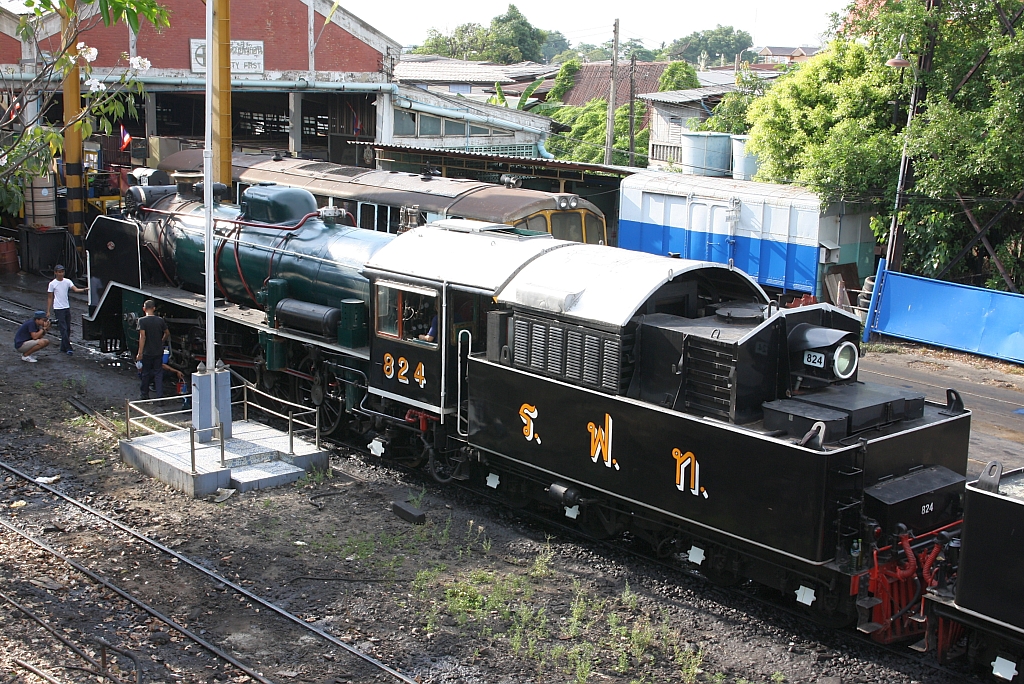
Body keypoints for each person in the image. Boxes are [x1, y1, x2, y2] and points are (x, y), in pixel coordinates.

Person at [46, 264, 87, 356]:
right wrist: (48, 310)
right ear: (55, 273)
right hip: (58, 308)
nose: (61, 274)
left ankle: (63, 348)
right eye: (59, 272)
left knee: (67, 329)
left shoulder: (67, 281)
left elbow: (75, 289)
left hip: (66, 307)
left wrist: (85, 289)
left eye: (62, 272)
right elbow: (50, 297)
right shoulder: (52, 284)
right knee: (63, 329)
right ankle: (69, 348)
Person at [136, 300, 169, 400]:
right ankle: (160, 397)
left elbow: (143, 337)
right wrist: (161, 341)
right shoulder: (160, 320)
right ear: (154, 308)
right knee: (158, 373)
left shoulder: (142, 321)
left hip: (147, 351)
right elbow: (167, 333)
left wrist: (140, 353)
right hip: (158, 351)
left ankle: (144, 394)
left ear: (144, 309)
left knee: (145, 373)